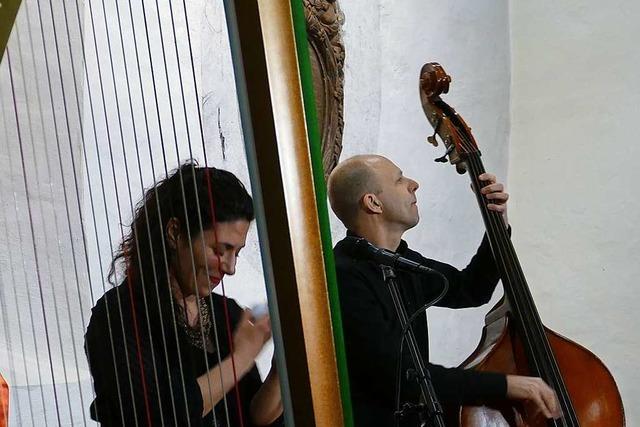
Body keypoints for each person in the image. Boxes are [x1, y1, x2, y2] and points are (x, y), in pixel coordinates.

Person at [327, 154, 560, 426]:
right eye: (399, 179)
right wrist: (507, 385)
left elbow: (471, 290)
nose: (414, 184)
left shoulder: (402, 262)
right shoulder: (344, 275)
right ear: (373, 202)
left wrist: (497, 222)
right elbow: (401, 376)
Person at [85, 162, 283, 426]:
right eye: (220, 249)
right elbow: (161, 415)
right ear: (175, 232)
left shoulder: (226, 313)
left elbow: (254, 417)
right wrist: (241, 358)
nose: (231, 267)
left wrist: (284, 360)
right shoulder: (117, 316)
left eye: (237, 252)